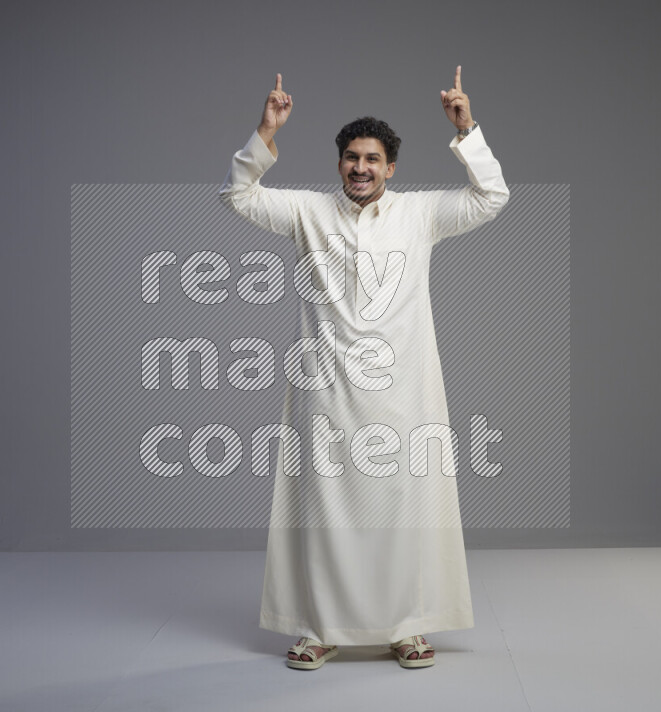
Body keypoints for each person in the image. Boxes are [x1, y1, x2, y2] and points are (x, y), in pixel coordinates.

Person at [219, 67, 509, 669]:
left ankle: (407, 627)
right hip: (325, 396)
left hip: (404, 394)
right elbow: (239, 196)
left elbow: (492, 197)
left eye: (372, 159)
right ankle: (319, 628)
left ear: (391, 167)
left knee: (404, 511)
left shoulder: (420, 215)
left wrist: (468, 130)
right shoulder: (308, 213)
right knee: (323, 514)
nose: (360, 168)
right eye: (351, 158)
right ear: (340, 163)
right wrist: (266, 132)